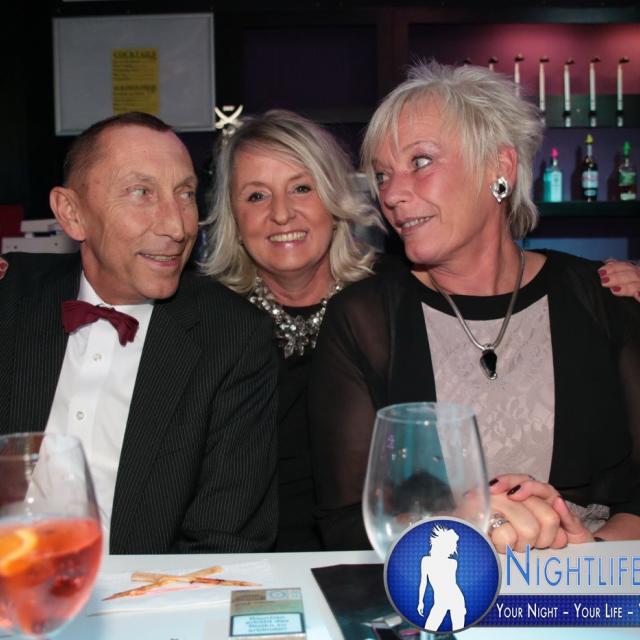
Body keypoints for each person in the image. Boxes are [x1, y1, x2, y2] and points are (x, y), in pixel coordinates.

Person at [309, 61, 640, 554]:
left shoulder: (602, 298)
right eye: (382, 175)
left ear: (499, 167)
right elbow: (345, 521)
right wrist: (468, 525)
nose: (392, 194)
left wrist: (581, 551)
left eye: (421, 161)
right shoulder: (364, 319)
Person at [0, 112, 279, 555]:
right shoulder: (11, 299)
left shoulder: (233, 338)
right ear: (72, 213)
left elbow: (224, 542)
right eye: (141, 192)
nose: (177, 227)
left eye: (185, 194)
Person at [201, 109, 382, 550]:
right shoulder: (205, 322)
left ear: (334, 202)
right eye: (257, 196)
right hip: (245, 564)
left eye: (302, 188)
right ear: (234, 220)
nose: (281, 214)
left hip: (372, 557)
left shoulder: (389, 304)